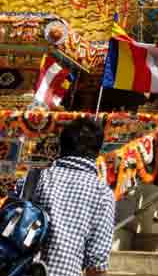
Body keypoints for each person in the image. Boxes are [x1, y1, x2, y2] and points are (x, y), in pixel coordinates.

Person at [12, 117, 114, 276]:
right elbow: (97, 263)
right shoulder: (103, 193)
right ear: (97, 150)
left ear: (62, 145)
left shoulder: (35, 178)